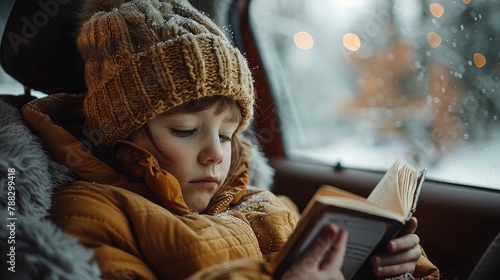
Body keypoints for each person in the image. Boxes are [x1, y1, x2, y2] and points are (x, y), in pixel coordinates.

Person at [21, 0, 439, 279]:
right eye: (185, 131)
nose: (215, 154)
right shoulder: (93, 213)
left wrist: (377, 267)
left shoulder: (266, 204)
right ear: (119, 131)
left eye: (227, 134)